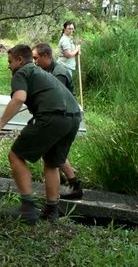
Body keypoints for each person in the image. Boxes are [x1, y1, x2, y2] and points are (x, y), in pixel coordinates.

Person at [0, 44, 81, 224]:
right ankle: (51, 211)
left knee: (16, 155)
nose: (9, 66)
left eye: (10, 61)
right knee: (52, 162)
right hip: (74, 117)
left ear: (20, 60)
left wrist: (0, 125)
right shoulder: (42, 73)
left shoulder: (22, 73)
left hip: (52, 117)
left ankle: (27, 209)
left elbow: (19, 98)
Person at [32, 43, 83, 200]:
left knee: (54, 153)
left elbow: (54, 99)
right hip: (61, 116)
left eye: (36, 58)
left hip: (65, 117)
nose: (34, 61)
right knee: (55, 152)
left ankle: (72, 187)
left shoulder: (59, 73)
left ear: (46, 56)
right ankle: (71, 183)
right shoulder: (47, 70)